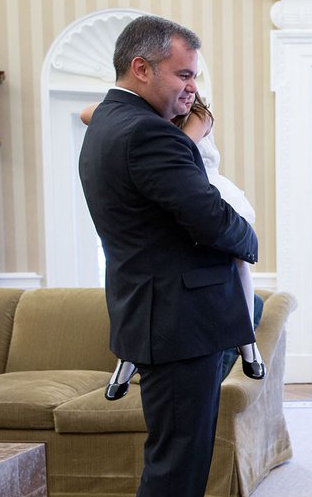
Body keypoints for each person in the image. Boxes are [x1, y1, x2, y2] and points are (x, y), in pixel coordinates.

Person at [79, 14, 258, 497]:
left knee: (182, 457)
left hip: (166, 315)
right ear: (142, 68)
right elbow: (210, 216)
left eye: (193, 76)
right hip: (176, 322)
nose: (190, 88)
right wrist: (250, 237)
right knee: (175, 462)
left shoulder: (108, 122)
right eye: (183, 75)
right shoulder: (149, 136)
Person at [81, 93, 266, 401]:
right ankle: (126, 363)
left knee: (238, 263)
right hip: (171, 194)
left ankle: (248, 344)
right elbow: (87, 114)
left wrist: (146, 125)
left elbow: (182, 152)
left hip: (206, 191)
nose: (186, 90)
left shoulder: (199, 115)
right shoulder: (143, 122)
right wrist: (130, 113)